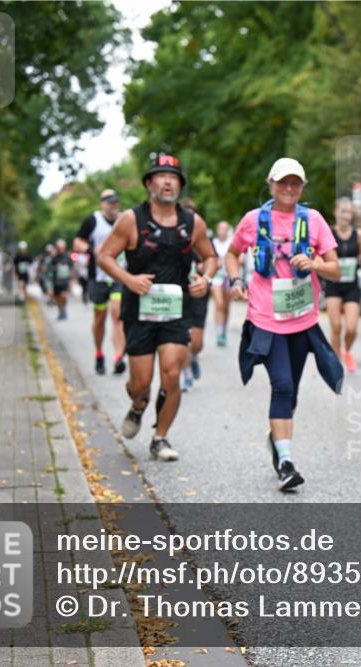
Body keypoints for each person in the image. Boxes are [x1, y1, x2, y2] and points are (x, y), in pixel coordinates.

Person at [226, 157, 344, 491]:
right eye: (282, 183)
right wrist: (235, 279)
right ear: (271, 184)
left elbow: (337, 269)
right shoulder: (253, 220)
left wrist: (316, 263)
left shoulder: (314, 220)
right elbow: (232, 253)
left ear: (302, 187)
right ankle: (287, 464)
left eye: (295, 183)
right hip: (265, 318)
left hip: (302, 318)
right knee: (282, 386)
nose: (289, 189)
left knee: (289, 390)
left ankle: (277, 440)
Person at [97, 153, 217, 462]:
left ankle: (160, 437)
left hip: (177, 311)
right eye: (161, 176)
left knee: (172, 373)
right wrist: (129, 279)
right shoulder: (131, 220)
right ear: (150, 183)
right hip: (140, 311)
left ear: (179, 184)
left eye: (173, 177)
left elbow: (211, 257)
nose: (167, 181)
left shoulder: (192, 222)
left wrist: (205, 278)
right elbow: (104, 256)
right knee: (140, 383)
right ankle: (138, 405)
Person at [75, 189, 124, 375]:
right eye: (109, 202)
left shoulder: (124, 220)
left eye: (116, 202)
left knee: (118, 314)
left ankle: (119, 357)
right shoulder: (92, 221)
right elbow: (78, 242)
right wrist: (92, 249)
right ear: (102, 203)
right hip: (98, 278)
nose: (113, 206)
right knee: (100, 319)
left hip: (119, 275)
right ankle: (99, 352)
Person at [324, 197, 361, 372]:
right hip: (333, 284)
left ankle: (347, 351)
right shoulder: (328, 233)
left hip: (351, 285)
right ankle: (336, 360)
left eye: (349, 212)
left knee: (351, 328)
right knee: (336, 326)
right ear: (336, 213)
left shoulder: (358, 234)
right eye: (342, 211)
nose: (345, 215)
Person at [179, 197, 209, 391]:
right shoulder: (172, 238)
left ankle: (194, 356)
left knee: (196, 343)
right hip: (179, 294)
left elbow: (213, 260)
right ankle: (186, 373)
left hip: (198, 292)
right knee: (180, 339)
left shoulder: (202, 236)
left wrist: (204, 270)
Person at [210, 221, 234, 347]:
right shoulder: (213, 243)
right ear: (217, 230)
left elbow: (238, 258)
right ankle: (219, 333)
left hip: (228, 276)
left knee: (226, 306)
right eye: (220, 228)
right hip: (217, 277)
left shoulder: (232, 242)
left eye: (225, 229)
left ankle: (224, 329)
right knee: (219, 304)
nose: (222, 231)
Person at [48, 239, 74, 320]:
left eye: (62, 248)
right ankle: (60, 312)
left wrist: (71, 281)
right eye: (59, 248)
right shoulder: (54, 258)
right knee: (57, 298)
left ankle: (64, 309)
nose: (60, 249)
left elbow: (72, 268)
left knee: (63, 296)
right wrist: (56, 267)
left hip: (65, 281)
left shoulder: (68, 257)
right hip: (56, 281)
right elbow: (50, 268)